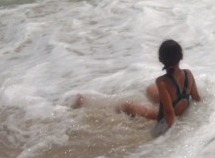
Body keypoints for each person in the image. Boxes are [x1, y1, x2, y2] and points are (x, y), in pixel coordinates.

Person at [73, 39, 201, 134]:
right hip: (179, 106)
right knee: (150, 90)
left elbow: (168, 113)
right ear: (182, 56)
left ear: (160, 59)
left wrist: (171, 134)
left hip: (161, 115)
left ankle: (85, 103)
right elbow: (196, 98)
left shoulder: (162, 82)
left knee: (126, 106)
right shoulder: (188, 74)